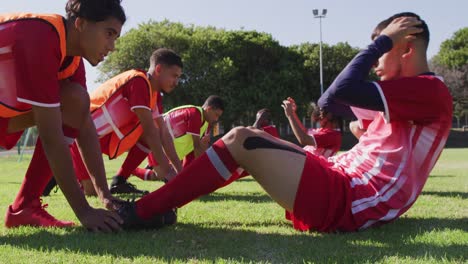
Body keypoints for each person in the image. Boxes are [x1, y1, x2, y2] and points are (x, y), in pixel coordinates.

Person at [116, 12, 452, 232]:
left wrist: (381, 42)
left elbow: (343, 89)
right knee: (248, 140)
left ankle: (145, 211)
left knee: (242, 139)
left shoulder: (430, 91)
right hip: (339, 178)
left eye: (383, 53)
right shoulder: (401, 94)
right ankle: (156, 208)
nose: (376, 64)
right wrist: (382, 47)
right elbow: (329, 101)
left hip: (352, 198)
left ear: (406, 49)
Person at [1, 0, 126, 231]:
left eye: (115, 37)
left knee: (75, 100)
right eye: (109, 34)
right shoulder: (41, 35)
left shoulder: (73, 57)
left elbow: (84, 125)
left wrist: (104, 194)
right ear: (80, 24)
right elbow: (51, 137)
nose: (112, 46)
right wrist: (84, 212)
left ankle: (25, 206)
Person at [71, 48, 184, 196]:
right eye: (174, 76)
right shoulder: (138, 81)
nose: (176, 82)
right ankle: (61, 172)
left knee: (148, 136)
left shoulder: (155, 95)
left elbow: (163, 133)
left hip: (100, 140)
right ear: (158, 69)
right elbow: (151, 131)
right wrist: (167, 171)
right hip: (80, 138)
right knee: (91, 192)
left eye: (178, 77)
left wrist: (180, 173)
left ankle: (120, 180)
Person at [128, 95, 225, 184]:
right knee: (162, 176)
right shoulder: (195, 114)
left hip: (168, 150)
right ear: (209, 109)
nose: (216, 119)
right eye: (216, 115)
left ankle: (143, 168)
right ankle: (130, 170)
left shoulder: (206, 123)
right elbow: (197, 147)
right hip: (156, 142)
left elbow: (199, 149)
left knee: (176, 177)